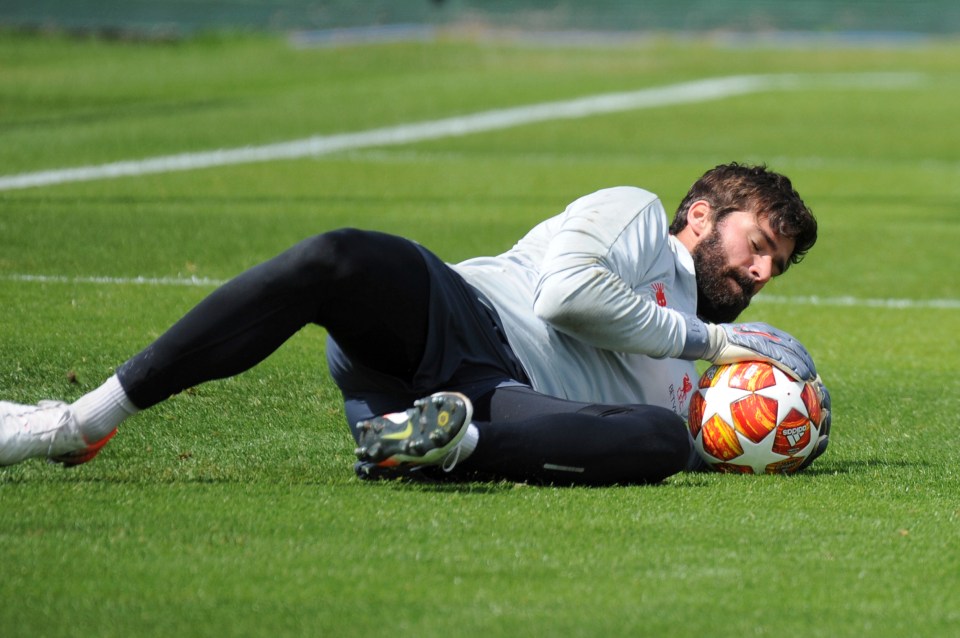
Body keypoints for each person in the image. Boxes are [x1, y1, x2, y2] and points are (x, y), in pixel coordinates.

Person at [0, 162, 830, 485]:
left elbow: (690, 435)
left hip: (501, 404)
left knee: (654, 442)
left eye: (776, 268)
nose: (761, 274)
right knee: (338, 257)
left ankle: (429, 445)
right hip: (460, 322)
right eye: (757, 246)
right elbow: (565, 298)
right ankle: (80, 422)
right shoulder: (638, 217)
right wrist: (712, 340)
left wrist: (783, 422)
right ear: (699, 215)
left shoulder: (716, 364)